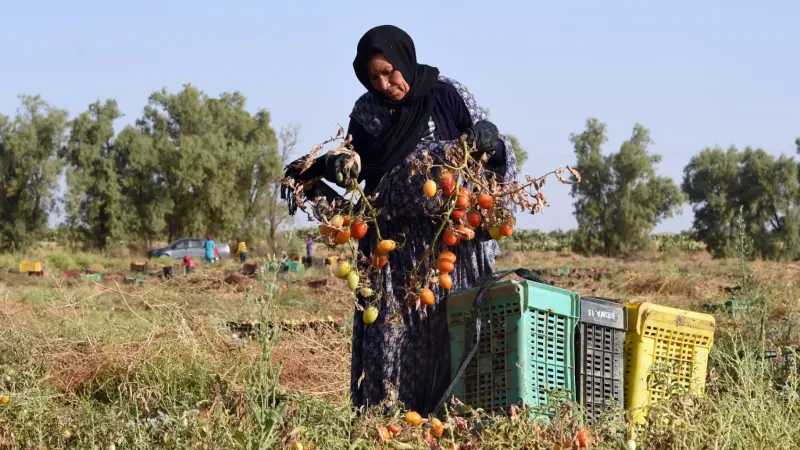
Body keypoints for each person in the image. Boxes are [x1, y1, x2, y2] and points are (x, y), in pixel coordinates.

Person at [281, 25, 516, 415]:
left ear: (405, 58)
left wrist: (492, 142)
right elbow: (359, 175)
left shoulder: (447, 94)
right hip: (394, 256)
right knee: (394, 348)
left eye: (390, 71)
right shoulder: (367, 113)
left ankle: (456, 425)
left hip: (453, 249)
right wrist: (337, 165)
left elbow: (489, 160)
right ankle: (390, 426)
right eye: (374, 78)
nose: (386, 84)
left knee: (454, 340)